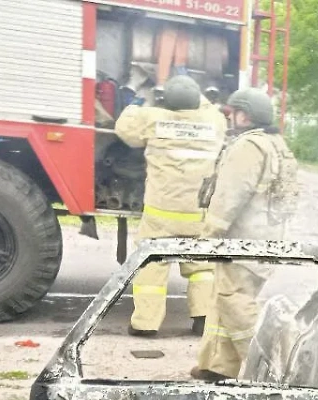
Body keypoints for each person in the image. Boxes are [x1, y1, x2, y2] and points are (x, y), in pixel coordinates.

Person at [191, 87, 299, 382]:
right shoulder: (276, 144)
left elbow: (229, 196)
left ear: (246, 115)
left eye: (234, 113)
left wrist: (210, 234)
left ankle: (271, 371)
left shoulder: (249, 146)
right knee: (224, 299)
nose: (231, 119)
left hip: (244, 242)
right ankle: (217, 366)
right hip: (266, 240)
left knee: (234, 301)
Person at [115, 75, 227, 337]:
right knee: (202, 266)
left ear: (168, 102)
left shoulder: (153, 119)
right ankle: (202, 318)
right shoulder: (214, 123)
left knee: (152, 266)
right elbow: (210, 108)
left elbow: (124, 127)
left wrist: (138, 101)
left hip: (160, 215)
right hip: (199, 214)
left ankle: (145, 324)